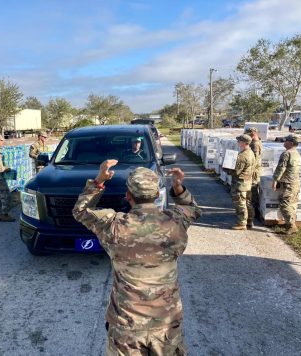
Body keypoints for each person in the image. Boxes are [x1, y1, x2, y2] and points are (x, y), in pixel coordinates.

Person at [73, 161, 201, 356]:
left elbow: (80, 211)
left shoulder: (114, 225)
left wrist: (99, 181)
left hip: (126, 327)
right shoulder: (175, 221)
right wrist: (178, 187)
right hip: (165, 325)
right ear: (158, 195)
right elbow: (193, 209)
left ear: (128, 196)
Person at [224, 134, 255, 230]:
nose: (238, 143)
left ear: (243, 143)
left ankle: (242, 223)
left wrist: (226, 168)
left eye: (239, 141)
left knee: (240, 203)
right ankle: (249, 221)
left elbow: (236, 171)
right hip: (248, 182)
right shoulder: (251, 153)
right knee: (248, 203)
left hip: (240, 183)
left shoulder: (242, 156)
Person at [272, 135, 301, 235]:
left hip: (288, 183)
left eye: (286, 140)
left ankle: (291, 226)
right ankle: (292, 223)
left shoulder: (286, 153)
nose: (284, 142)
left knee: (284, 204)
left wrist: (275, 180)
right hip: (295, 183)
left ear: (291, 143)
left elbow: (281, 168)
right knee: (292, 204)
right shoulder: (297, 154)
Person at [245, 127, 262, 214]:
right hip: (253, 170)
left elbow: (254, 160)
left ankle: (255, 210)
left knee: (253, 190)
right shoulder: (256, 142)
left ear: (252, 134)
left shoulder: (255, 144)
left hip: (253, 172)